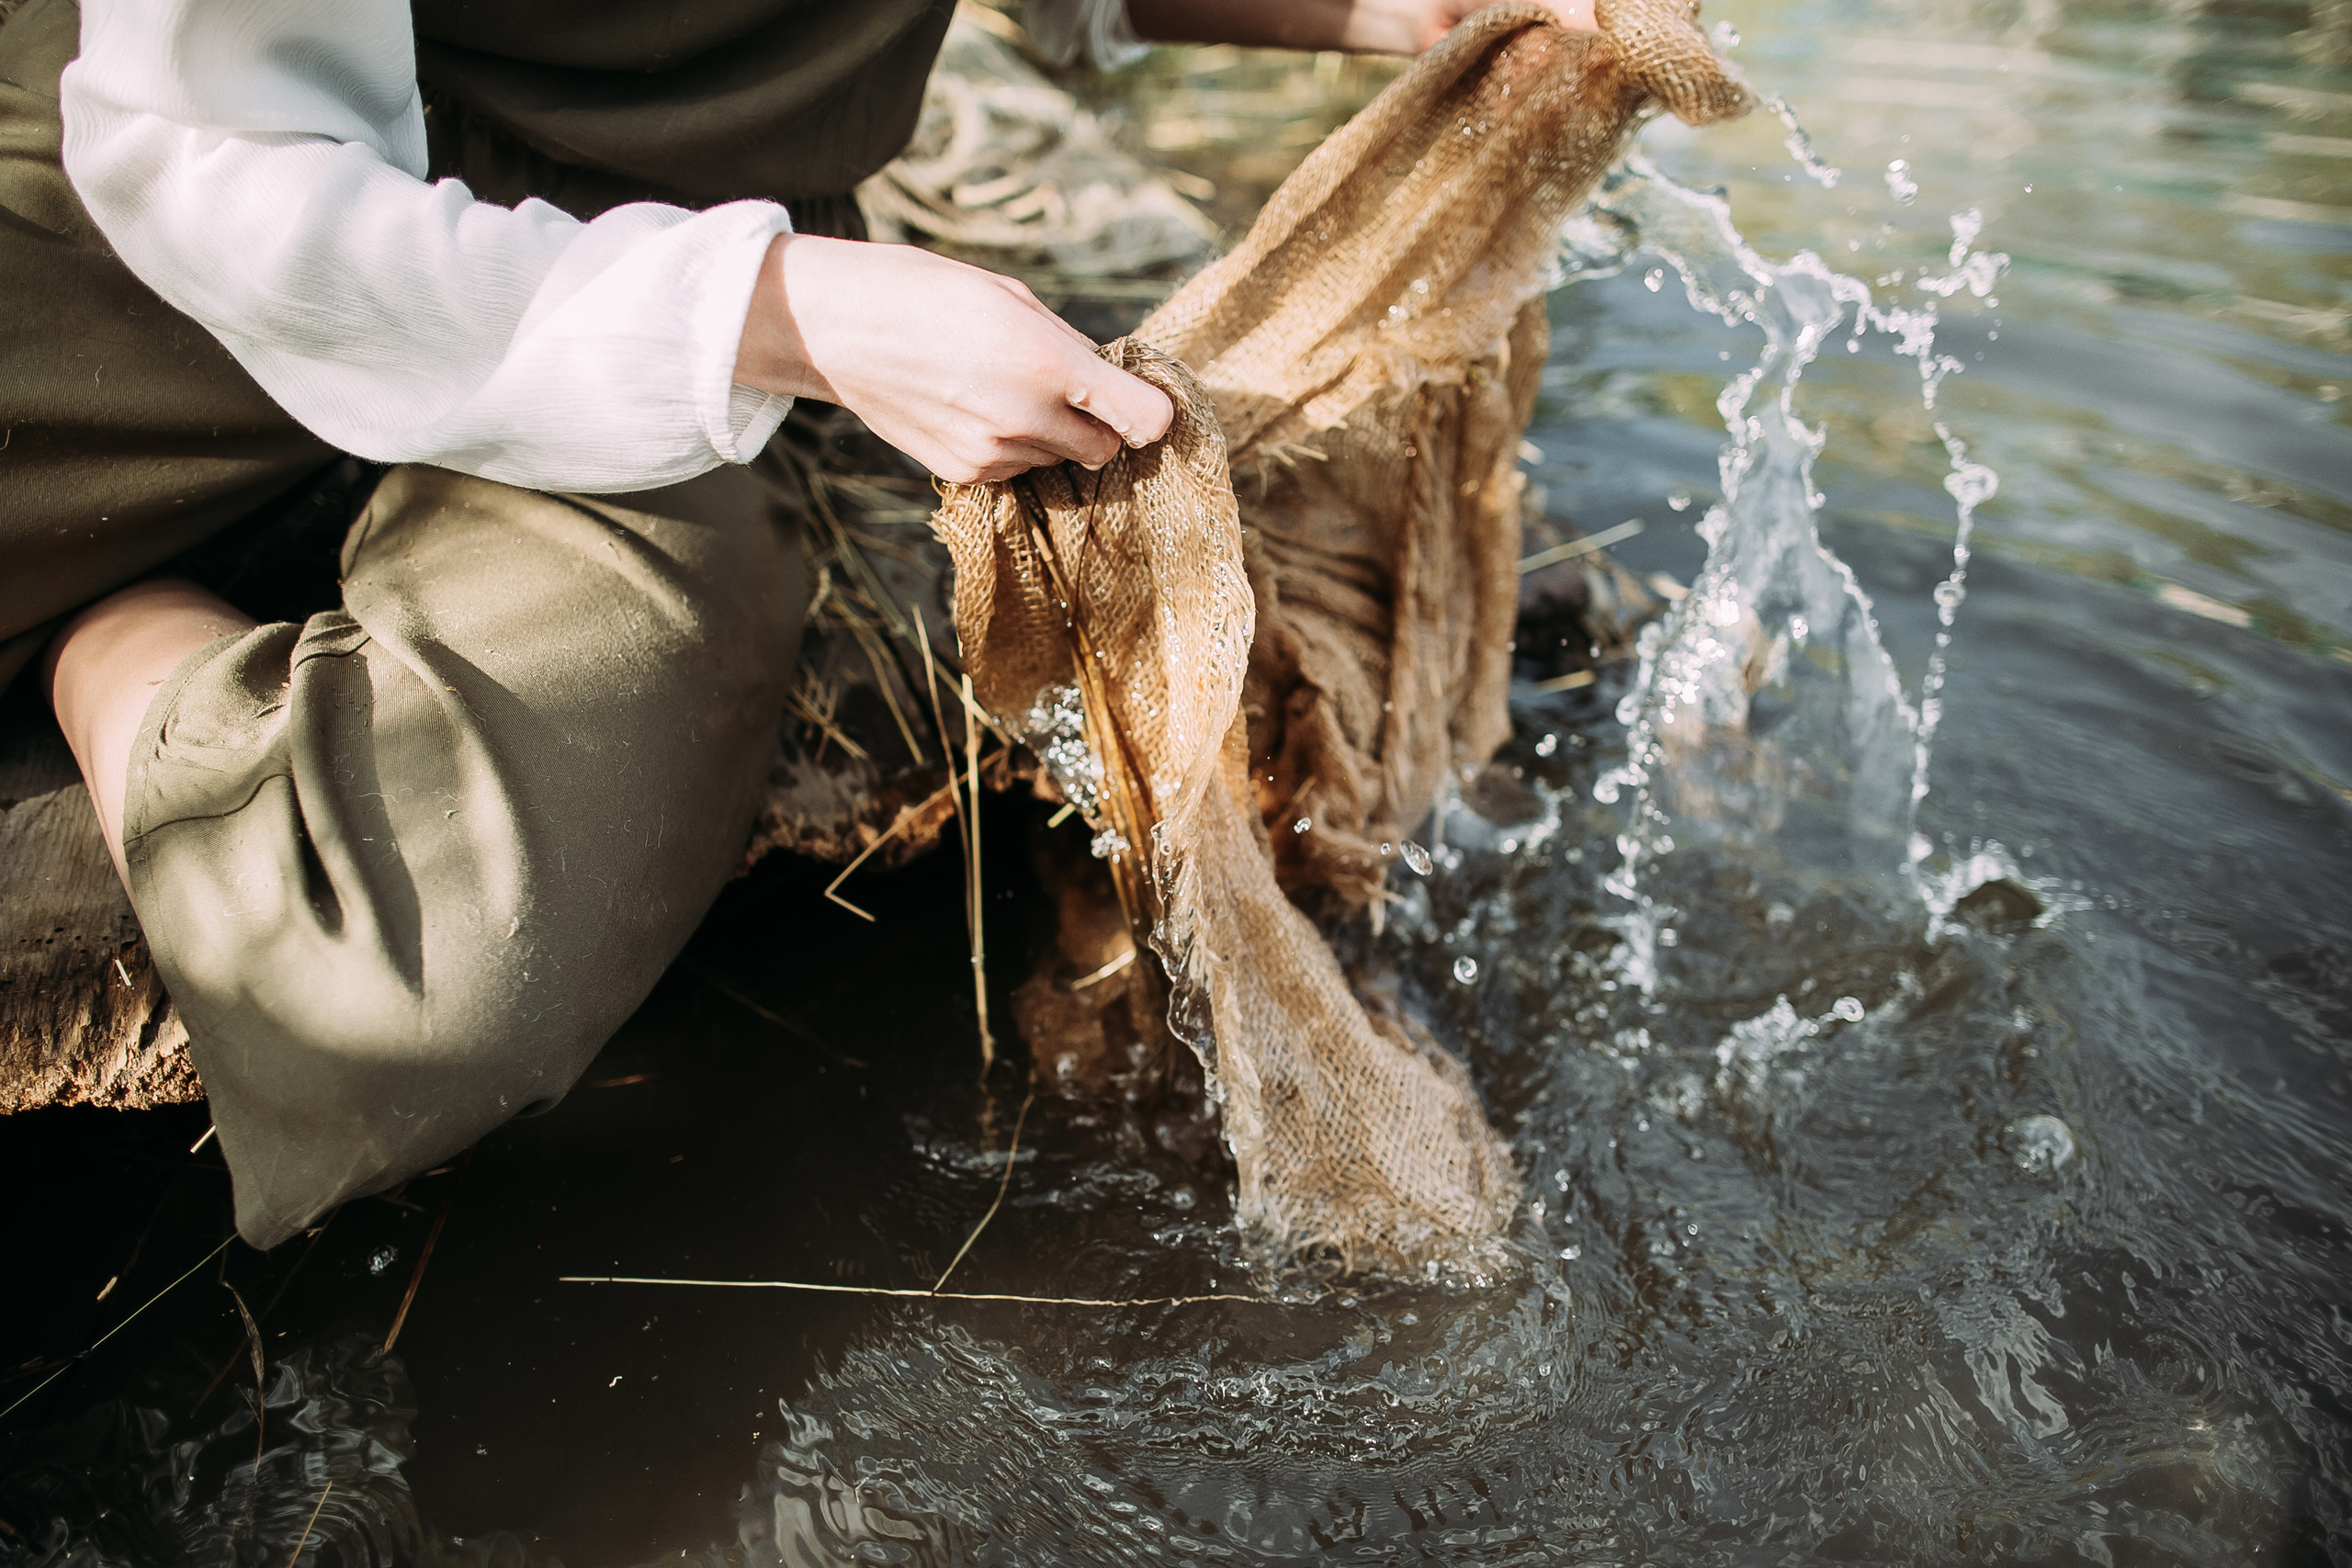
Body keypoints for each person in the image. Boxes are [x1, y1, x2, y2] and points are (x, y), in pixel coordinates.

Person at [1, 0, 1593, 1247]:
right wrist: (796, 312)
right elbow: (211, 162)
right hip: (163, 298)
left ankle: (109, 633)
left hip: (620, 317)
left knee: (425, 977)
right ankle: (83, 584)